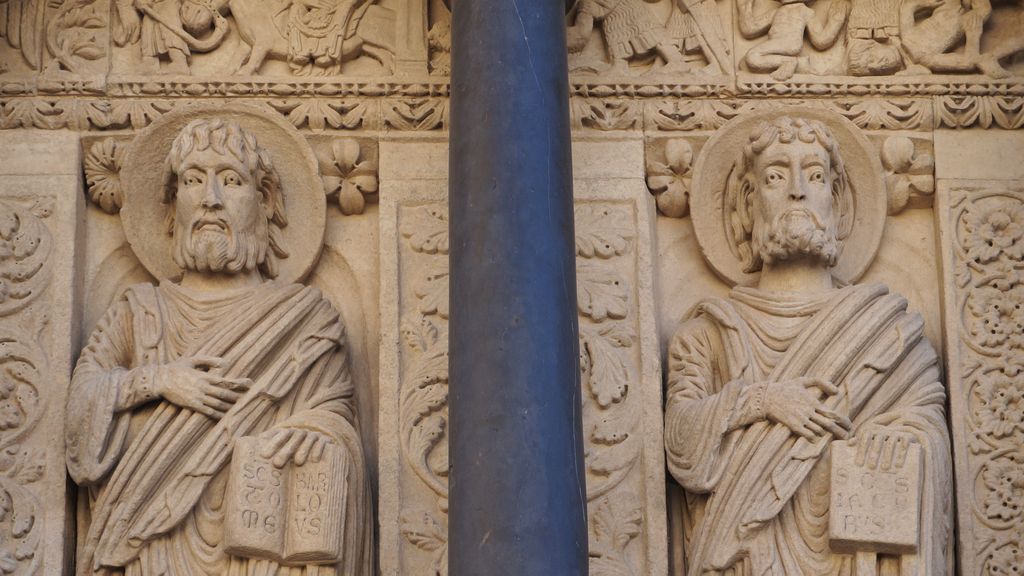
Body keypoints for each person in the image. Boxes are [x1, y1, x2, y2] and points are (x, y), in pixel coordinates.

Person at [65, 118, 372, 575]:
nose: (210, 199)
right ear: (173, 206)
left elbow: (337, 424)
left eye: (230, 180)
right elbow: (79, 419)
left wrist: (315, 433)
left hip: (262, 551)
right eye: (192, 180)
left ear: (264, 201)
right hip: (148, 551)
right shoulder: (139, 311)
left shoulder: (307, 319)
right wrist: (159, 380)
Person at [664, 116, 951, 575]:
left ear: (837, 205)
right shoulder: (709, 333)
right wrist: (761, 400)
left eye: (814, 176)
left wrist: (901, 437)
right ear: (746, 204)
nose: (797, 190)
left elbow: (927, 429)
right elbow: (682, 442)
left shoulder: (893, 336)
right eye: (776, 177)